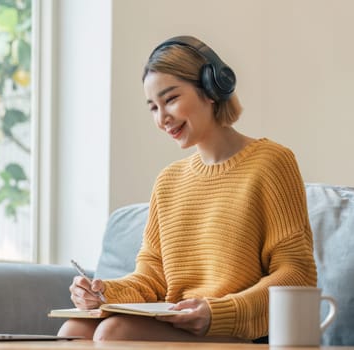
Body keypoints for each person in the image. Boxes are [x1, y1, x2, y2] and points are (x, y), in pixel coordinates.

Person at [57, 35, 317, 342]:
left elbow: (297, 274)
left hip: (237, 329)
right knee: (74, 329)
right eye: (153, 107)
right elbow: (151, 278)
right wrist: (102, 292)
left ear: (211, 89)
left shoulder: (272, 162)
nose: (162, 118)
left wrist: (217, 312)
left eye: (170, 100)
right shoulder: (169, 180)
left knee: (115, 332)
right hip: (180, 324)